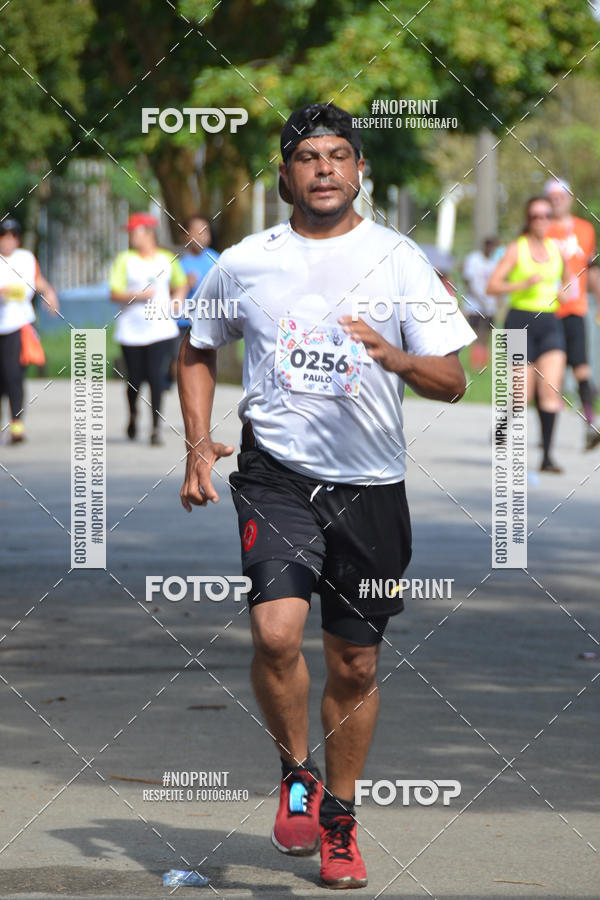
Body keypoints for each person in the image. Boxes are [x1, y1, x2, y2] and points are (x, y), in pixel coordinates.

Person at [178, 103, 476, 889]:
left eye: (338, 155)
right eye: (308, 156)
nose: (324, 169)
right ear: (284, 173)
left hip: (373, 489)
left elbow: (454, 378)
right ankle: (296, 774)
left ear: (358, 171)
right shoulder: (246, 261)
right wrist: (198, 442)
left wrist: (395, 357)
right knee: (277, 635)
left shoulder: (399, 259)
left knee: (355, 659)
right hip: (275, 475)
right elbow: (196, 348)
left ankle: (339, 820)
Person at [487, 196, 571, 473]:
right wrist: (522, 283)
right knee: (521, 394)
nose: (541, 220)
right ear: (528, 219)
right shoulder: (516, 249)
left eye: (546, 215)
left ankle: (547, 456)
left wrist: (565, 291)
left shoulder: (557, 250)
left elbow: (569, 281)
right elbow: (493, 286)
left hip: (549, 322)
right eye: (535, 216)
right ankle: (502, 425)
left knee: (550, 391)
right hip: (519, 321)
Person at [109, 212, 187, 445]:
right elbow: (114, 293)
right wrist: (137, 296)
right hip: (131, 329)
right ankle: (133, 414)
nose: (132, 237)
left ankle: (155, 427)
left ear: (149, 233)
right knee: (135, 378)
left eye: (135, 232)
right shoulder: (125, 260)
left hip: (161, 328)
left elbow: (180, 284)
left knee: (156, 376)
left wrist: (178, 299)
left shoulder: (167, 258)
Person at [544, 178, 600, 451]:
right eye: (552, 197)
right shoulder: (541, 227)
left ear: (570, 197)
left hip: (575, 309)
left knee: (582, 369)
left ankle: (590, 423)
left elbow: (590, 269)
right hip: (546, 310)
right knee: (536, 373)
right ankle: (507, 426)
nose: (557, 201)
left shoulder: (585, 229)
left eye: (561, 196)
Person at [0, 217, 59, 443]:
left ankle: (16, 424)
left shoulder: (25, 258)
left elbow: (38, 280)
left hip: (19, 324)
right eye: (3, 237)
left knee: (14, 375)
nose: (7, 241)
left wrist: (50, 293)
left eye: (12, 236)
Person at [462, 236, 500, 368]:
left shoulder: (494, 262)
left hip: (489, 305)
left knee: (486, 334)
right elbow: (468, 281)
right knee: (476, 333)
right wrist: (480, 300)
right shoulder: (474, 259)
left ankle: (483, 362)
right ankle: (475, 362)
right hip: (475, 305)